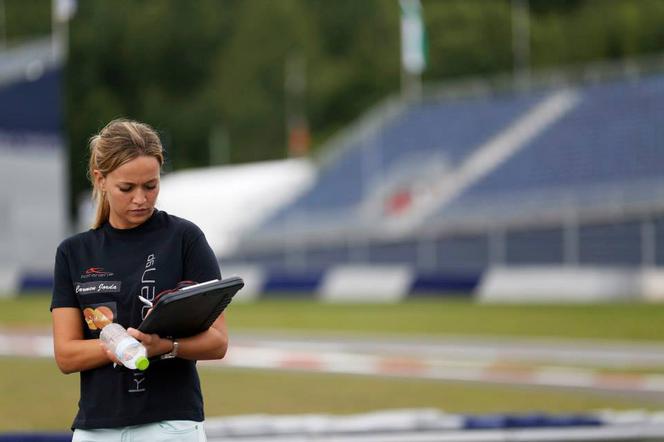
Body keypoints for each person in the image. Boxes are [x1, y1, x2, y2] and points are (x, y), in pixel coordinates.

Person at [50, 118, 227, 442]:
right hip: (95, 429)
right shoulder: (73, 253)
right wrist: (117, 347)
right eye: (127, 188)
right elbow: (65, 355)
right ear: (100, 179)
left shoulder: (185, 238)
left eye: (151, 185)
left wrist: (168, 347)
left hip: (172, 426)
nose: (141, 199)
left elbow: (218, 342)